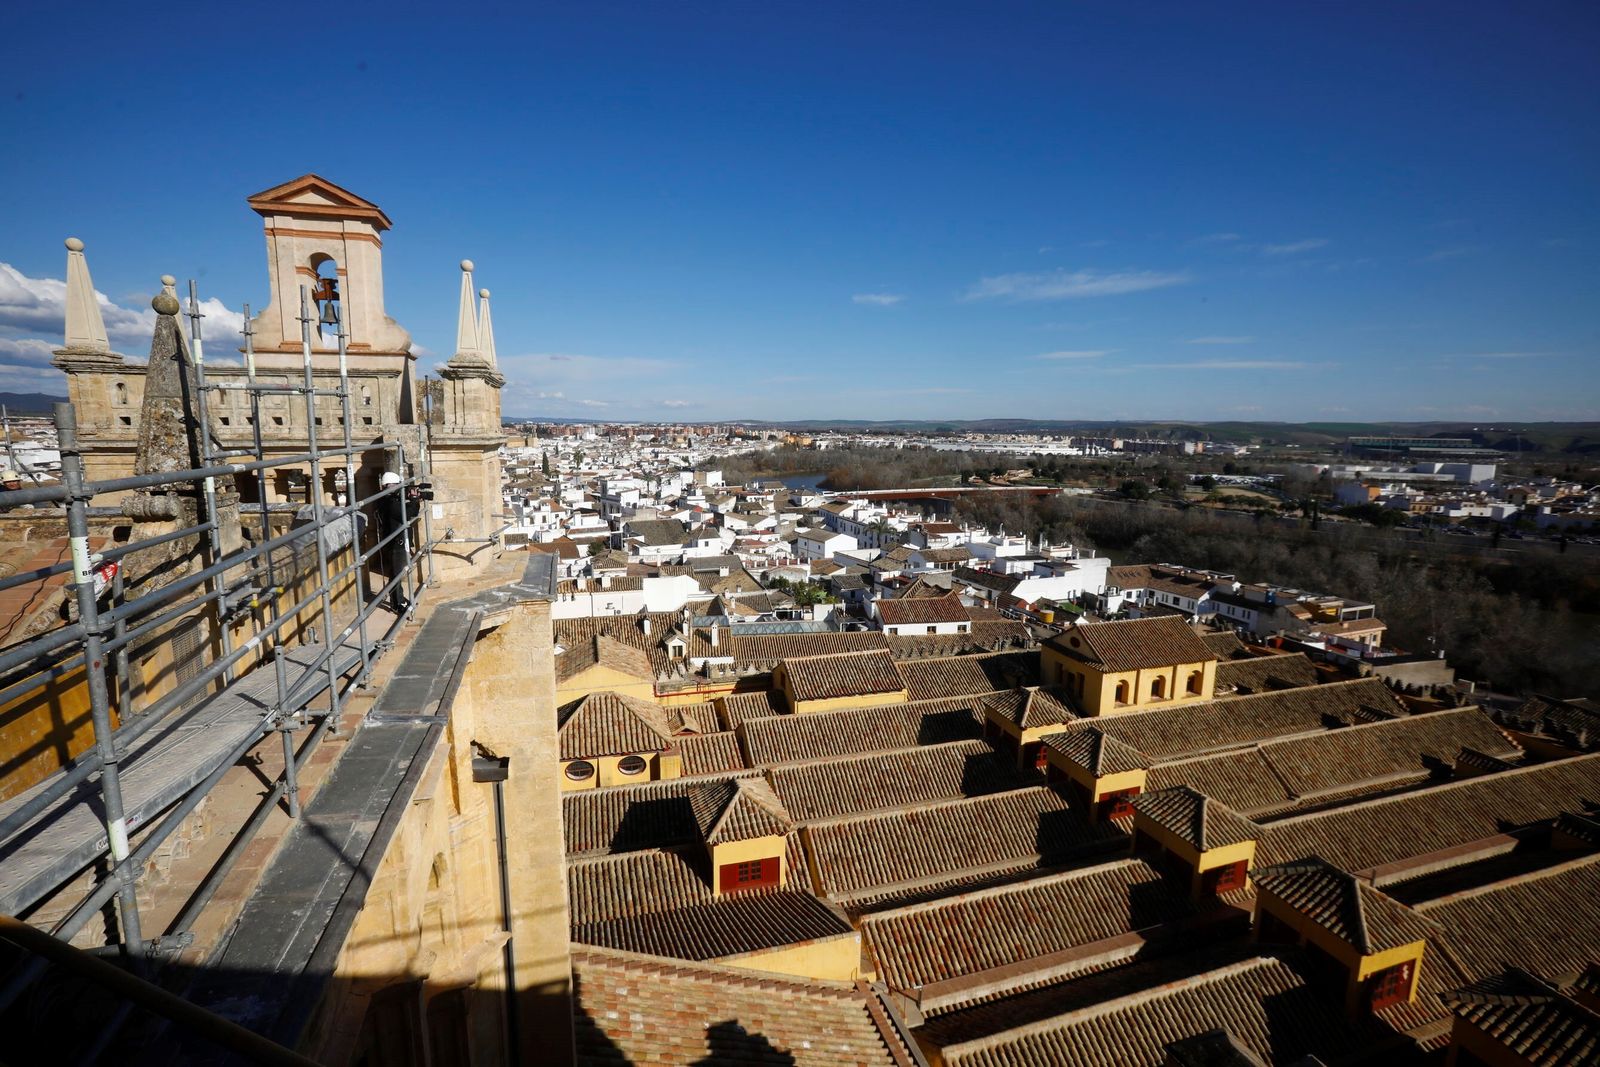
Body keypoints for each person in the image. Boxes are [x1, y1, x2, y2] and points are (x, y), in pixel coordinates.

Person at [374, 470, 412, 613]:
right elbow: (407, 514)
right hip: (397, 542)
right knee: (396, 574)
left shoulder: (385, 500)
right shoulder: (390, 502)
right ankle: (397, 604)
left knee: (395, 572)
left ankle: (398, 600)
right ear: (390, 485)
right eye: (397, 485)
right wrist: (414, 502)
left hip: (394, 540)